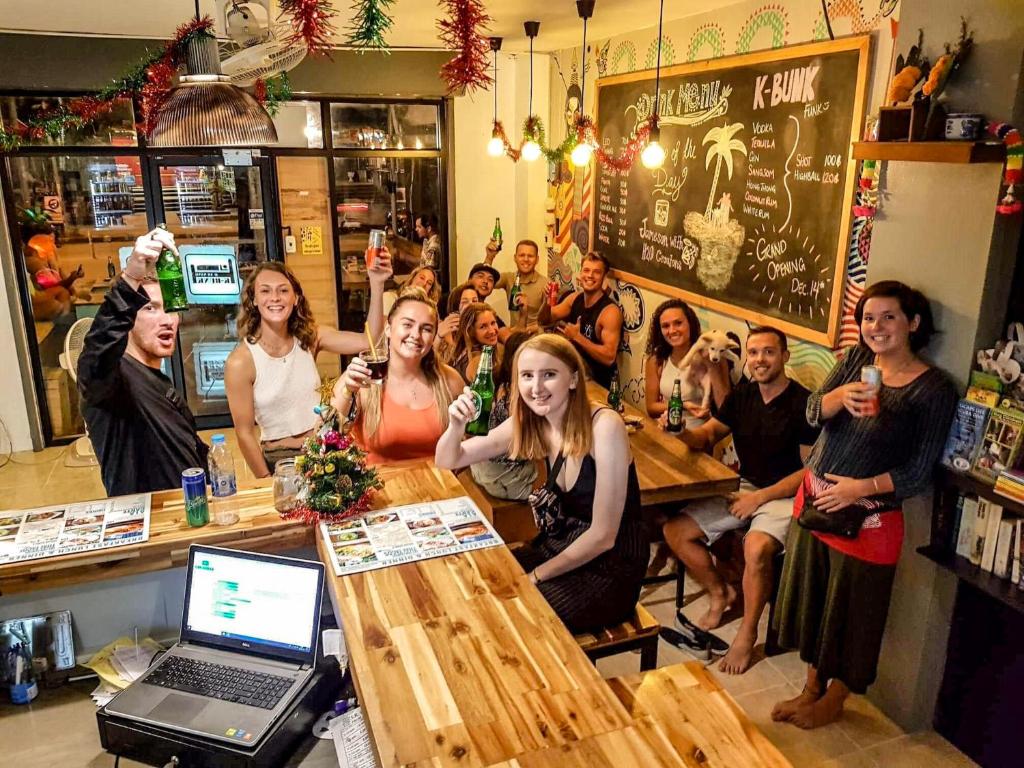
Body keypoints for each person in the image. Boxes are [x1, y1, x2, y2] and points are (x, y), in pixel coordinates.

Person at [770, 281, 956, 729]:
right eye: (869, 318)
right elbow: (812, 412)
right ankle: (811, 687)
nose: (876, 327)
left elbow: (917, 473)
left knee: (853, 614)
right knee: (812, 602)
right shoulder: (855, 359)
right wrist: (836, 398)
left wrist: (860, 488)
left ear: (912, 323)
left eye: (889, 317)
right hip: (813, 502)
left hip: (867, 521)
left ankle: (835, 698)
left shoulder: (933, 390)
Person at [435, 334, 648, 633]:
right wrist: (456, 426)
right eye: (527, 376)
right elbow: (448, 460)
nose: (536, 388)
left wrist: (534, 577)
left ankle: (555, 679)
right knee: (476, 581)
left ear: (573, 379)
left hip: (610, 568)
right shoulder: (534, 418)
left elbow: (603, 536)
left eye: (549, 374)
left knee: (514, 617)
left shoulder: (605, 426)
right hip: (561, 544)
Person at [660, 327, 818, 675]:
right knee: (675, 531)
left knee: (756, 547)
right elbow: (707, 435)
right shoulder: (742, 398)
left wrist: (760, 498)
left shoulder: (804, 404)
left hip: (784, 494)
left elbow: (809, 472)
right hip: (744, 486)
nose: (759, 360)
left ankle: (747, 634)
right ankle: (721, 594)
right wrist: (680, 432)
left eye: (769, 352)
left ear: (785, 357)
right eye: (754, 353)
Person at [225, 251, 392, 478]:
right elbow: (244, 433)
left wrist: (377, 283)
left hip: (322, 448)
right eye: (265, 291)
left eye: (283, 290)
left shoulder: (310, 338)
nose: (275, 297)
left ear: (295, 299)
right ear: (253, 299)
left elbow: (368, 340)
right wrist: (266, 481)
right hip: (279, 460)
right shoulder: (240, 361)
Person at [78, 227, 208, 495]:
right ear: (127, 318)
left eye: (169, 309)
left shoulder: (156, 378)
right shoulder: (111, 382)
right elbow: (97, 352)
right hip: (149, 525)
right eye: (150, 308)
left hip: (185, 514)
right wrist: (131, 278)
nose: (167, 320)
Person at [332, 289, 463, 465]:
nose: (416, 335)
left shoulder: (449, 380)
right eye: (407, 325)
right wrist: (347, 392)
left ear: (433, 337)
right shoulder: (362, 378)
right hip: (381, 489)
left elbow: (471, 439)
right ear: (388, 328)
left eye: (426, 329)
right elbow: (325, 439)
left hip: (440, 488)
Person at [468, 330, 538, 501]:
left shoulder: (499, 382)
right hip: (504, 480)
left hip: (479, 467)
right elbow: (529, 447)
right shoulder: (521, 394)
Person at [538, 252, 623, 389]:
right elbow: (544, 320)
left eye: (596, 272)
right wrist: (547, 302)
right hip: (572, 373)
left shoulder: (610, 312)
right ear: (581, 273)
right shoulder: (574, 298)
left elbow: (609, 357)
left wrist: (577, 337)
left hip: (596, 382)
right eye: (586, 270)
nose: (590, 276)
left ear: (603, 277)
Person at [644, 298, 730, 427]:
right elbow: (651, 408)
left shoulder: (713, 357)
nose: (672, 330)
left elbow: (726, 408)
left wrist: (712, 367)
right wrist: (682, 405)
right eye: (665, 326)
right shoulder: (657, 360)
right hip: (667, 431)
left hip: (700, 434)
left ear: (690, 323)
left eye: (678, 323)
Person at [485, 238, 546, 328]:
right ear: (515, 258)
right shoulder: (508, 278)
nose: (526, 259)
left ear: (537, 260)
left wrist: (532, 329)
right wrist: (489, 257)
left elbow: (551, 319)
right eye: (521, 255)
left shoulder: (545, 283)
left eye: (530, 256)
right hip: (514, 336)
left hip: (536, 338)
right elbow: (485, 282)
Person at [451, 302, 503, 383]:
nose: (492, 331)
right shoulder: (478, 362)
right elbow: (485, 394)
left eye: (493, 323)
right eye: (483, 326)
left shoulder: (463, 351)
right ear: (470, 331)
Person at [436, 282, 479, 362]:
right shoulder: (444, 331)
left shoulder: (480, 329)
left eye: (474, 301)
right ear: (455, 307)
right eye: (465, 302)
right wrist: (439, 337)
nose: (471, 305)